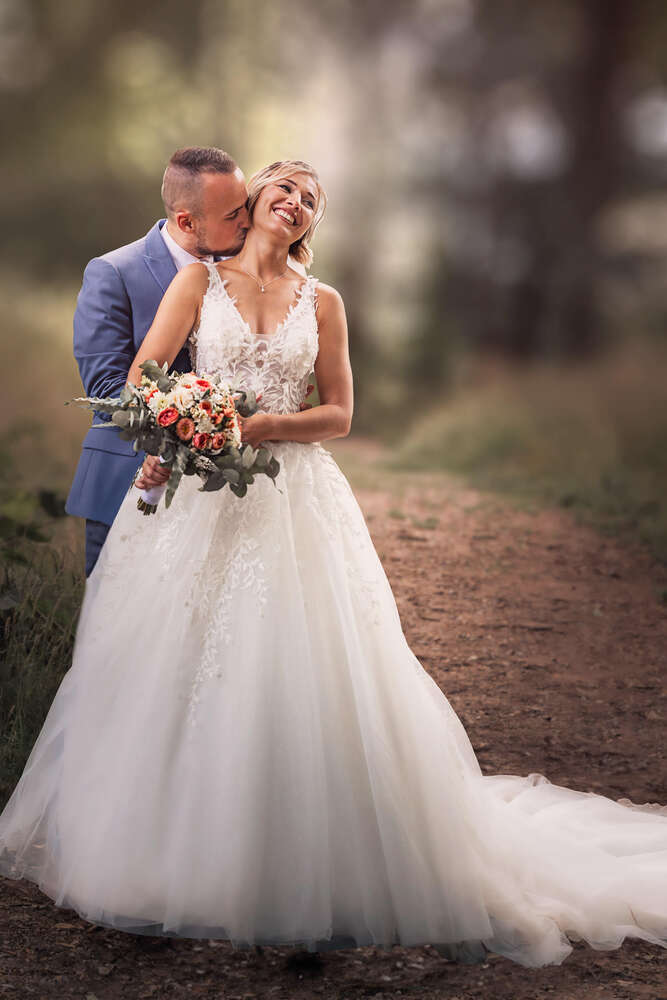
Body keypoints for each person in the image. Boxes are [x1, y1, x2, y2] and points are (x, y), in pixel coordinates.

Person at [1, 159, 666, 970]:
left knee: (299, 663)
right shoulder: (196, 283)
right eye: (284, 187)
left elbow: (340, 414)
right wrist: (188, 424)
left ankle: (307, 856)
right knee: (173, 664)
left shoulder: (324, 302)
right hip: (196, 496)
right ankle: (162, 848)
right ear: (254, 201)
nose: (296, 200)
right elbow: (145, 376)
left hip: (293, 500)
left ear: (312, 221)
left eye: (310, 197)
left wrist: (257, 429)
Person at [65, 145, 309, 578]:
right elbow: (108, 395)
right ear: (186, 222)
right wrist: (197, 427)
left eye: (245, 206)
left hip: (218, 492)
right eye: (233, 215)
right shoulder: (114, 273)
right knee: (117, 609)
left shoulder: (246, 272)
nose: (247, 220)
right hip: (128, 479)